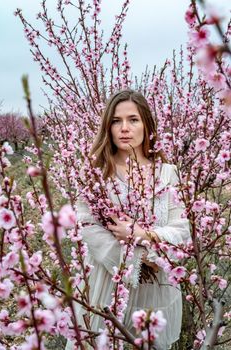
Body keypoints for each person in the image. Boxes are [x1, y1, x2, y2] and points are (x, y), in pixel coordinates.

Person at [66, 89, 190, 349]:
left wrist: (141, 235)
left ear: (146, 125)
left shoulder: (168, 173)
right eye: (116, 120)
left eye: (133, 120)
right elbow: (87, 228)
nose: (124, 128)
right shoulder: (97, 174)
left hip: (157, 286)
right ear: (107, 127)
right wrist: (135, 262)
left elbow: (181, 230)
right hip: (108, 282)